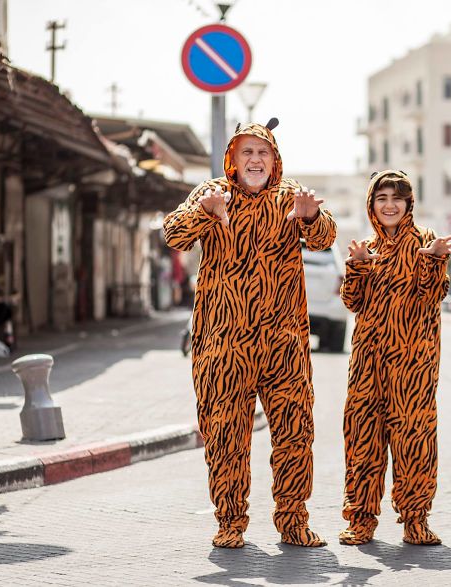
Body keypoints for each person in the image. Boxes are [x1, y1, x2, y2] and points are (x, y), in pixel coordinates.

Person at [162, 119, 336, 549]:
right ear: (233, 160)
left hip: (284, 342)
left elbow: (324, 237)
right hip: (223, 343)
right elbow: (173, 235)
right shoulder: (211, 193)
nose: (255, 160)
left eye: (263, 153)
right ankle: (230, 521)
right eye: (247, 153)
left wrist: (311, 216)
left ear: (274, 159)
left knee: (295, 432)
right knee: (225, 435)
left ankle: (293, 521)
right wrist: (204, 211)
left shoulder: (289, 197)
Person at [338, 170, 451, 546]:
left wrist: (435, 260)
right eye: (382, 198)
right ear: (372, 205)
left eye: (398, 198)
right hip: (367, 363)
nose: (390, 205)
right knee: (362, 438)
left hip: (413, 364)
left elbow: (432, 295)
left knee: (414, 439)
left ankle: (415, 519)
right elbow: (351, 302)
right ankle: (360, 519)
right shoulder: (367, 247)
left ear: (409, 204)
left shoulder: (424, 241)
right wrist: (357, 265)